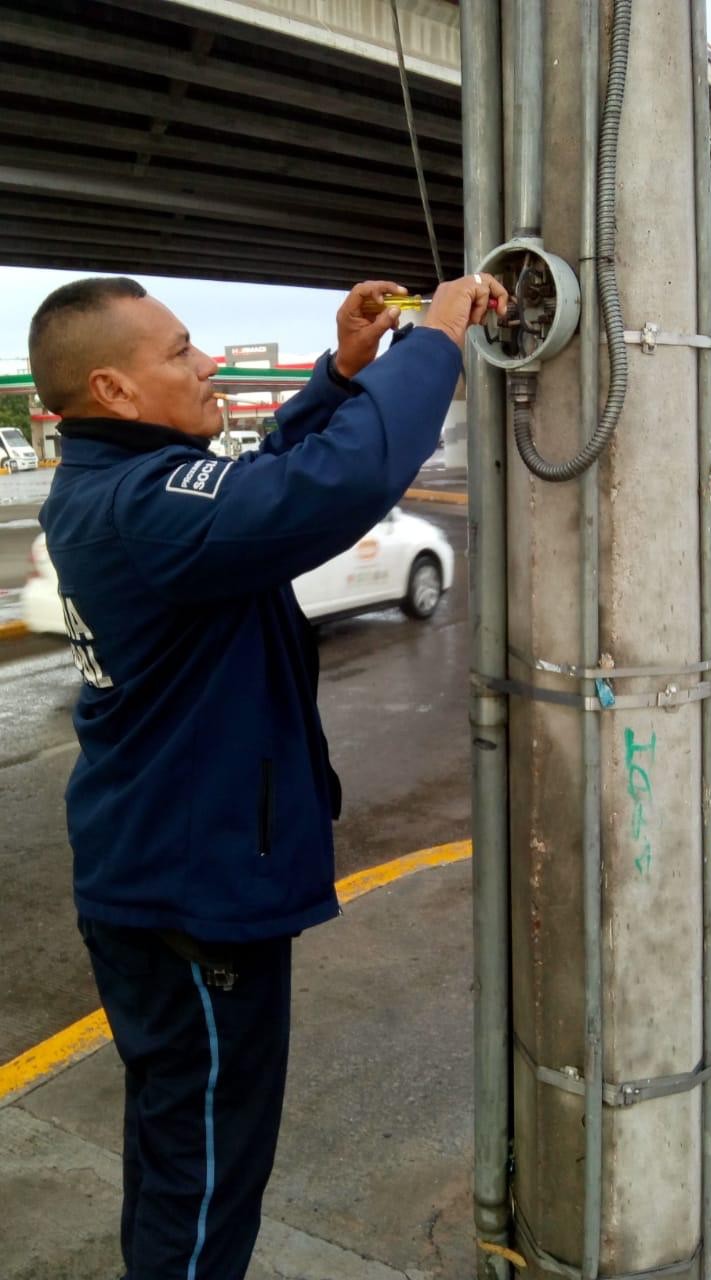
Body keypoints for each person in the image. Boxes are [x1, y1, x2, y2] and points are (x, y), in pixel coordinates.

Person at [29, 270, 507, 1280]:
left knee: (185, 1148)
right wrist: (439, 340)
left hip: (162, 870)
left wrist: (340, 371)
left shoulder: (136, 488)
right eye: (181, 351)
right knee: (201, 1175)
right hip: (190, 893)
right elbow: (330, 487)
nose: (208, 364)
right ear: (112, 390)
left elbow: (264, 477)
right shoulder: (141, 509)